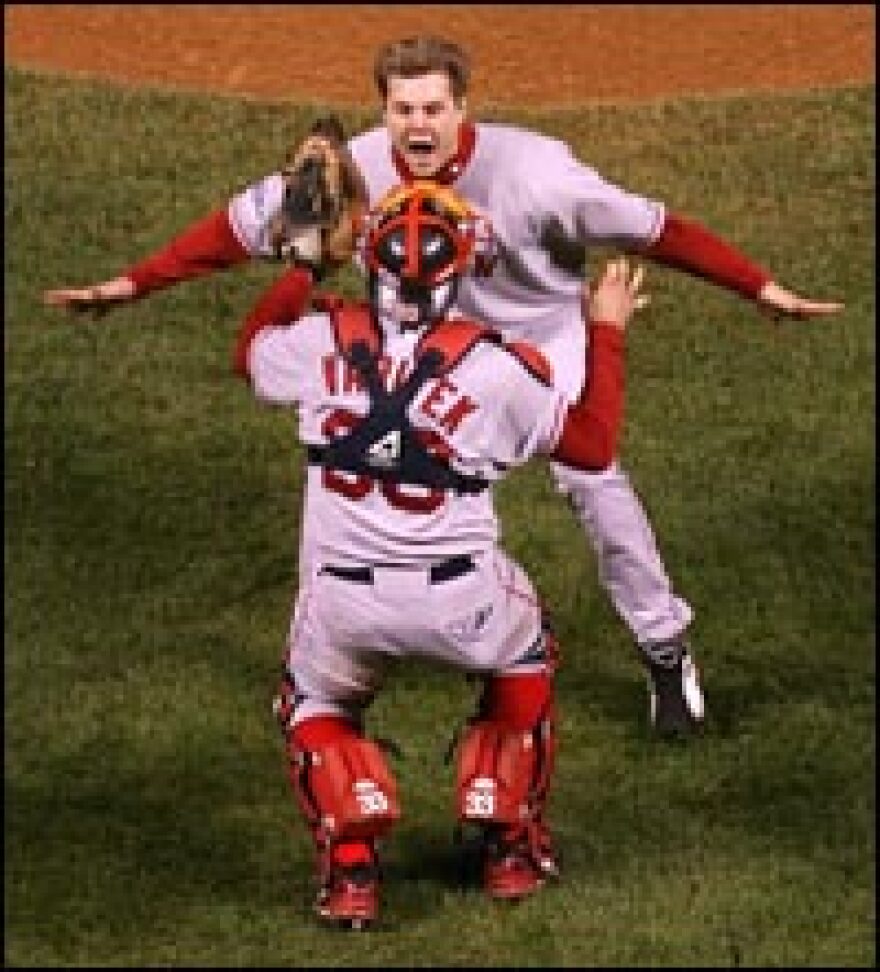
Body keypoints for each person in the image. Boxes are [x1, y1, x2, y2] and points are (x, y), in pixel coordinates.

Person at [43, 35, 843, 737]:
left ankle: (665, 650)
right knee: (345, 477)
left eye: (432, 107)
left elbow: (655, 231)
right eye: (401, 109)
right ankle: (318, 672)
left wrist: (760, 287)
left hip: (537, 347)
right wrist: (129, 285)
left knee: (593, 477)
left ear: (463, 108)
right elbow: (237, 229)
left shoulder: (537, 174)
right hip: (410, 350)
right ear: (383, 112)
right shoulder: (353, 169)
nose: (417, 125)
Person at [235, 180, 641, 927]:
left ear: (369, 262)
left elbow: (251, 352)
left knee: (315, 704)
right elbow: (591, 446)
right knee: (527, 654)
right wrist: (606, 330)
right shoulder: (494, 367)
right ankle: (508, 842)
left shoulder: (319, 340)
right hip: (465, 602)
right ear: (459, 272)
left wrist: (302, 270)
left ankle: (351, 870)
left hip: (341, 605)